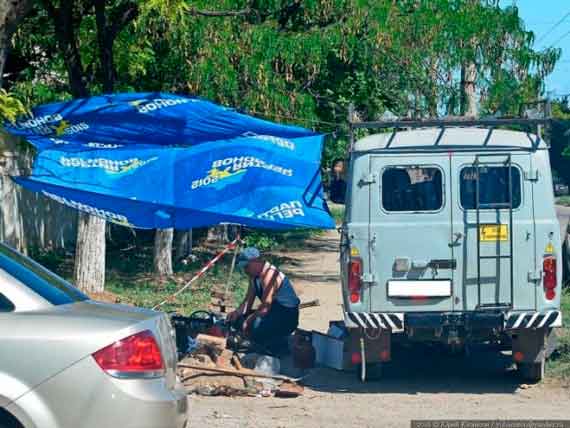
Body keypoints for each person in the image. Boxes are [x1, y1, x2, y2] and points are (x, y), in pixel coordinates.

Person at [227, 247, 300, 353]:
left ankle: (277, 343)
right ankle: (258, 339)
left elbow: (265, 308)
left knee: (255, 325)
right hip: (273, 312)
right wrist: (237, 313)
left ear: (256, 261)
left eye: (247, 266)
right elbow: (248, 301)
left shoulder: (270, 275)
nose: (245, 270)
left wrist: (248, 321)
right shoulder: (254, 276)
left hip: (287, 317)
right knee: (238, 320)